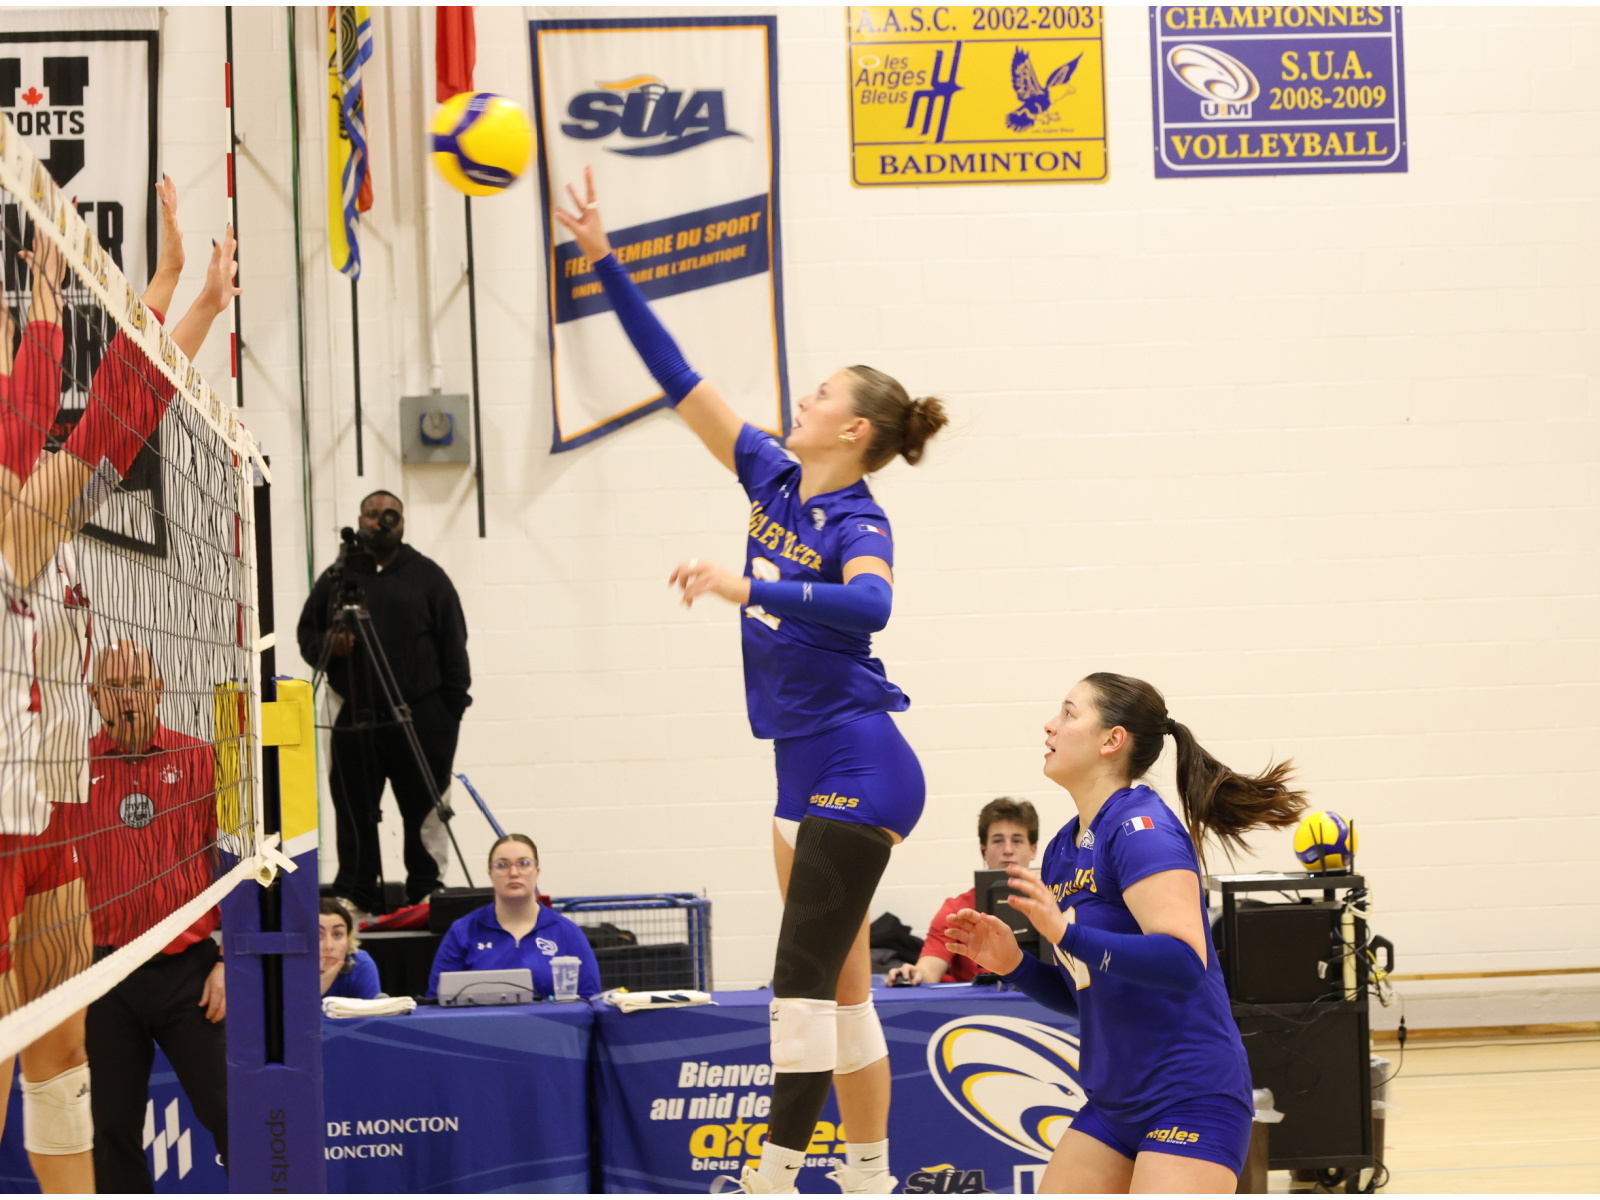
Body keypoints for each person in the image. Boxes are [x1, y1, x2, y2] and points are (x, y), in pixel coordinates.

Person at [556, 168, 949, 1196]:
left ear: (854, 429)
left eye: (821, 393)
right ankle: (869, 1178)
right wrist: (602, 257)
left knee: (798, 988)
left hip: (862, 763)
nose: (803, 398)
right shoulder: (769, 472)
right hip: (797, 769)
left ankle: (774, 1177)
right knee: (846, 1000)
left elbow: (872, 611)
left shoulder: (861, 520)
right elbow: (675, 373)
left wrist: (750, 585)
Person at [0, 178, 236, 1193]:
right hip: (4, 817)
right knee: (17, 1050)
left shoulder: (39, 538)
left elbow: (107, 427)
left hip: (44, 819)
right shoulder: (14, 527)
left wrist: (190, 299)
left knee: (59, 1057)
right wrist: (56, 305)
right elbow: (80, 424)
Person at [945, 673, 1309, 1194]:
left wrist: (1067, 935)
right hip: (1114, 1105)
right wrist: (1016, 966)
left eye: (1069, 713)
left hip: (1190, 1096)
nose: (1051, 724)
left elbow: (1185, 962)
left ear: (1111, 740)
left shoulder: (1143, 828)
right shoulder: (1061, 851)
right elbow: (1091, 995)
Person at [74, 640, 228, 1191]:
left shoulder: (203, 759)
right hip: (105, 973)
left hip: (191, 973)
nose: (129, 698)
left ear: (159, 689)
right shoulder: (73, 769)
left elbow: (242, 864)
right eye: (115, 687)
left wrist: (229, 960)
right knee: (111, 1132)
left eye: (138, 684)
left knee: (231, 1115)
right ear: (95, 697)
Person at [296, 489, 472, 913]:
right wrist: (330, 645)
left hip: (423, 718)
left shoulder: (429, 577)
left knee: (424, 807)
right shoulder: (337, 578)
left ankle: (426, 891)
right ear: (360, 520)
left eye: (390, 513)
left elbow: (455, 647)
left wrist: (448, 713)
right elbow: (307, 635)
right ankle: (356, 893)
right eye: (373, 514)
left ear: (404, 521)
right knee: (353, 807)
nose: (382, 521)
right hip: (352, 715)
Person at [426, 834, 600, 1001]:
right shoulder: (462, 932)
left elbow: (591, 1001)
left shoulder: (567, 933)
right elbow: (435, 1001)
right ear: (490, 874)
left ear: (537, 872)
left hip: (551, 1031)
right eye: (502, 865)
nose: (514, 872)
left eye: (524, 863)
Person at [886, 797, 1039, 986]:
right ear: (983, 851)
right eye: (998, 841)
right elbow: (929, 970)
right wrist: (914, 974)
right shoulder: (956, 910)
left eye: (1017, 840)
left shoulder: (1056, 901)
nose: (1008, 850)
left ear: (1033, 850)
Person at [319, 898, 380, 1000]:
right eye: (318, 935)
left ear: (348, 938)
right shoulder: (288, 965)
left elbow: (372, 1015)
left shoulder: (360, 964)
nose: (329, 946)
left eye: (337, 934)